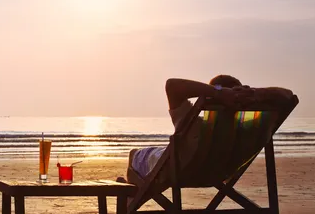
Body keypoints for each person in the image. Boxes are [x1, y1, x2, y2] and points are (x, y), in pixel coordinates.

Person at [121, 75, 292, 184]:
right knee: (159, 152)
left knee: (135, 154)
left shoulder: (194, 125)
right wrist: (254, 93)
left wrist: (218, 93)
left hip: (181, 169)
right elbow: (288, 96)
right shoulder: (247, 130)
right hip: (220, 171)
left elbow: (171, 85)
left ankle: (132, 188)